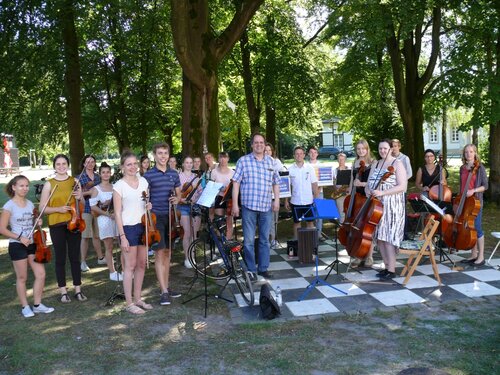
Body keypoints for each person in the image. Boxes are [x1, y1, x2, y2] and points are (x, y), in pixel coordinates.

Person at [0, 175, 55, 317]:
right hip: (17, 245)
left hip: (32, 244)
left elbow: (33, 223)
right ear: (14, 187)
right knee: (22, 277)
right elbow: (2, 229)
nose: (25, 188)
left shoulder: (30, 204)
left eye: (26, 186)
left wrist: (38, 222)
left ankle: (37, 305)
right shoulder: (9, 206)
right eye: (21, 186)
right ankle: (25, 306)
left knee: (41, 274)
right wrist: (19, 237)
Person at [232, 133, 280, 280]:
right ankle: (251, 270)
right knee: (248, 241)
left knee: (265, 240)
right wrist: (235, 204)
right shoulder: (243, 161)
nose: (259, 145)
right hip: (249, 207)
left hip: (266, 207)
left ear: (265, 145)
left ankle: (263, 268)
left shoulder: (271, 162)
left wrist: (276, 200)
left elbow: (276, 183)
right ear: (252, 145)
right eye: (256, 142)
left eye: (261, 142)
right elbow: (236, 183)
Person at [39, 154, 87, 303]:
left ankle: (78, 290)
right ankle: (63, 291)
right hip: (56, 225)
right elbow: (42, 208)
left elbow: (83, 204)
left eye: (64, 163)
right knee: (60, 258)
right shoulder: (49, 184)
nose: (61, 166)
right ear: (54, 166)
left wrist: (80, 196)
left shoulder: (75, 181)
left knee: (75, 257)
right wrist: (58, 209)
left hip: (74, 223)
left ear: (68, 165)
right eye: (58, 164)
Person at [113, 151, 152, 314]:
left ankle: (138, 299)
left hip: (143, 226)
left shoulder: (143, 181)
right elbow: (117, 213)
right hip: (128, 228)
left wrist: (148, 206)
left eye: (135, 163)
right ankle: (129, 303)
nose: (133, 167)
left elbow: (146, 202)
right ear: (122, 167)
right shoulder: (119, 186)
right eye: (129, 164)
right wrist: (122, 236)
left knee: (142, 264)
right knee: (129, 266)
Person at [143, 143, 182, 306]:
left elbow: (179, 194)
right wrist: (147, 204)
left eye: (165, 153)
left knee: (168, 253)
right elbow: (145, 197)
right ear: (154, 155)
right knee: (159, 253)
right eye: (160, 153)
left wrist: (177, 199)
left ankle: (166, 286)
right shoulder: (149, 175)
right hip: (156, 217)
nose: (163, 156)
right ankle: (163, 291)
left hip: (171, 217)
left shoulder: (174, 173)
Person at [366, 139, 407, 280]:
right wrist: (369, 191)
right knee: (380, 237)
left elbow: (402, 187)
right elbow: (369, 183)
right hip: (377, 206)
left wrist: (383, 193)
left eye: (385, 148)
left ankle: (391, 269)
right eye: (380, 148)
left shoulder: (397, 163)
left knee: (388, 237)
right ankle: (386, 265)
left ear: (390, 149)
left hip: (393, 206)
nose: (382, 151)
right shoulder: (376, 164)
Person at [89, 162, 122, 281]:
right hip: (104, 219)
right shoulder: (96, 189)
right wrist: (107, 213)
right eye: (103, 172)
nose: (106, 174)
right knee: (109, 246)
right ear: (100, 174)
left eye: (108, 172)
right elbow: (92, 206)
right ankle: (112, 272)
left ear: (111, 173)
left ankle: (123, 270)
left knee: (122, 244)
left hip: (117, 218)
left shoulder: (115, 187)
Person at [458, 144, 488, 266]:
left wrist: (473, 191)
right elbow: (462, 185)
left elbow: (485, 186)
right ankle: (473, 254)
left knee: (477, 227)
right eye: (466, 152)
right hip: (465, 201)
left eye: (471, 152)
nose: (468, 154)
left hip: (476, 202)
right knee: (469, 227)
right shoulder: (462, 168)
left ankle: (481, 257)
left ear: (475, 153)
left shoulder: (480, 167)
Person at [285, 146, 319, 239]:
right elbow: (287, 187)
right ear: (294, 156)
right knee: (296, 223)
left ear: (304, 155)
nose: (299, 155)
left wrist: (316, 199)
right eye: (297, 154)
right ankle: (297, 244)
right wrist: (286, 200)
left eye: (301, 153)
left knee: (310, 222)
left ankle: (310, 245)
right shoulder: (290, 169)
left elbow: (314, 184)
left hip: (309, 200)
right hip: (295, 201)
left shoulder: (310, 168)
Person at [350, 139, 374, 267]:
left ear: (367, 149)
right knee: (357, 228)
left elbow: (375, 182)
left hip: (367, 198)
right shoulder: (354, 162)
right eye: (358, 149)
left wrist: (363, 184)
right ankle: (358, 255)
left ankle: (369, 256)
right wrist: (351, 191)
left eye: (363, 148)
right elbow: (352, 180)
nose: (361, 151)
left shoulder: (373, 163)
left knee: (368, 229)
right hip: (356, 198)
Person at [78, 154, 104, 272]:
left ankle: (100, 258)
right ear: (84, 164)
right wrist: (89, 192)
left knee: (97, 235)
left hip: (97, 209)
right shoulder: (79, 178)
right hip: (86, 209)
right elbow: (76, 194)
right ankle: (83, 262)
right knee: (85, 236)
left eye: (92, 162)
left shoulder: (98, 177)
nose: (90, 164)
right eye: (88, 162)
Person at [177, 156, 203, 268]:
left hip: (195, 206)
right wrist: (181, 199)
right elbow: (175, 193)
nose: (189, 164)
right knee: (187, 233)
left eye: (190, 162)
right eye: (186, 162)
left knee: (194, 233)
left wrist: (196, 199)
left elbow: (201, 193)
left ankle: (193, 256)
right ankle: (187, 258)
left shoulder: (196, 178)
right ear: (183, 164)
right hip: (183, 207)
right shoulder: (178, 177)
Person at [264, 143, 285, 248]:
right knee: (265, 219)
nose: (267, 152)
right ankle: (265, 239)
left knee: (274, 219)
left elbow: (284, 173)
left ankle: (273, 239)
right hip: (263, 197)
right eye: (265, 150)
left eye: (269, 150)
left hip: (273, 196)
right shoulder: (260, 162)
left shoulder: (276, 162)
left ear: (272, 152)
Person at [211, 152, 235, 240]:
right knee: (219, 221)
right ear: (218, 159)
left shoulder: (232, 172)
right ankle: (221, 242)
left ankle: (228, 242)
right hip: (219, 197)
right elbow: (211, 186)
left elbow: (235, 186)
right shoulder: (214, 172)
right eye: (221, 157)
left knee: (229, 221)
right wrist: (219, 188)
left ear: (228, 159)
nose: (223, 159)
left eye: (225, 157)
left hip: (229, 199)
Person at [307, 146, 325, 239]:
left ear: (317, 154)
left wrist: (317, 191)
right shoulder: (306, 166)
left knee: (319, 214)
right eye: (311, 152)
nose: (313, 154)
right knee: (310, 214)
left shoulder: (321, 165)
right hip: (308, 194)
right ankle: (311, 233)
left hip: (319, 192)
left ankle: (319, 234)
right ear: (308, 154)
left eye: (315, 152)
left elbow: (323, 180)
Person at [332, 152, 350, 223]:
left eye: (342, 159)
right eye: (339, 159)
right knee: (341, 213)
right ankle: (342, 230)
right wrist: (337, 190)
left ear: (345, 160)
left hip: (348, 194)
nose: (341, 161)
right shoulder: (334, 170)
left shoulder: (349, 169)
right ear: (337, 160)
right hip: (339, 194)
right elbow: (333, 182)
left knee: (349, 213)